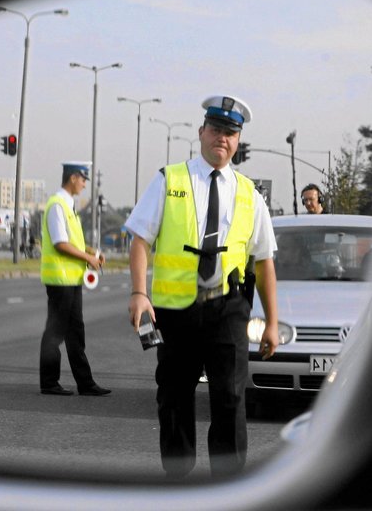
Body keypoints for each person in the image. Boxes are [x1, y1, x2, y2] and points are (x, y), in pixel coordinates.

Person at [125, 94, 279, 479]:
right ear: (201, 132)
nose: (222, 139)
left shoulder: (249, 194)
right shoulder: (169, 179)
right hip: (176, 312)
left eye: (230, 133)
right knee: (174, 399)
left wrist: (272, 321)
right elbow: (140, 240)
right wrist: (139, 293)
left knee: (229, 398)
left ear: (238, 140)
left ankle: (227, 484)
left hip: (227, 308)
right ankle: (178, 482)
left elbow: (264, 261)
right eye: (216, 130)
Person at [39, 161, 111, 397]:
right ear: (72, 178)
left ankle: (85, 383)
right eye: (82, 179)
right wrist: (87, 258)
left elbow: (73, 242)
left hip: (71, 279)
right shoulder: (58, 205)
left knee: (75, 332)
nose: (84, 184)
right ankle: (49, 382)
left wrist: (90, 252)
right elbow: (61, 244)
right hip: (60, 280)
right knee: (56, 332)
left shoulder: (68, 206)